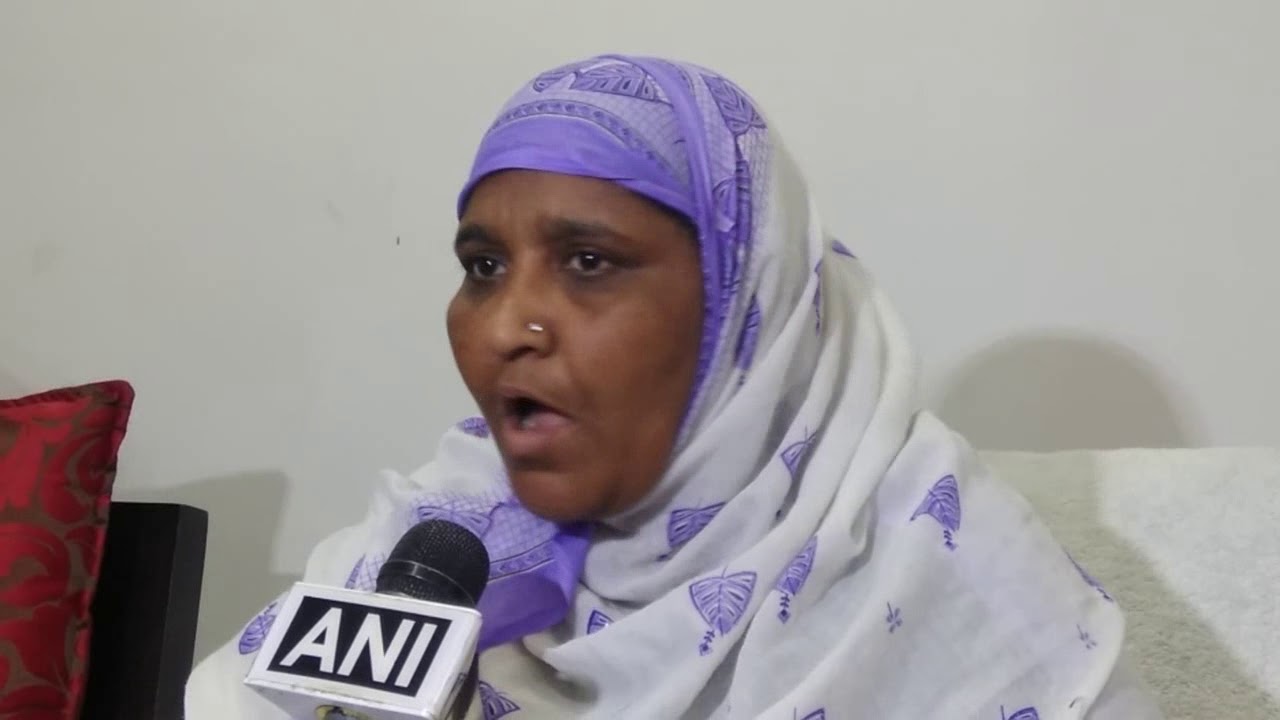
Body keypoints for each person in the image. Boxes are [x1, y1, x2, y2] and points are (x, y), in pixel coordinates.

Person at [185, 54, 1162, 718]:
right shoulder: (438, 544)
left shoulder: (955, 582)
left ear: (745, 307)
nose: (505, 326)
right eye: (482, 266)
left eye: (588, 262)